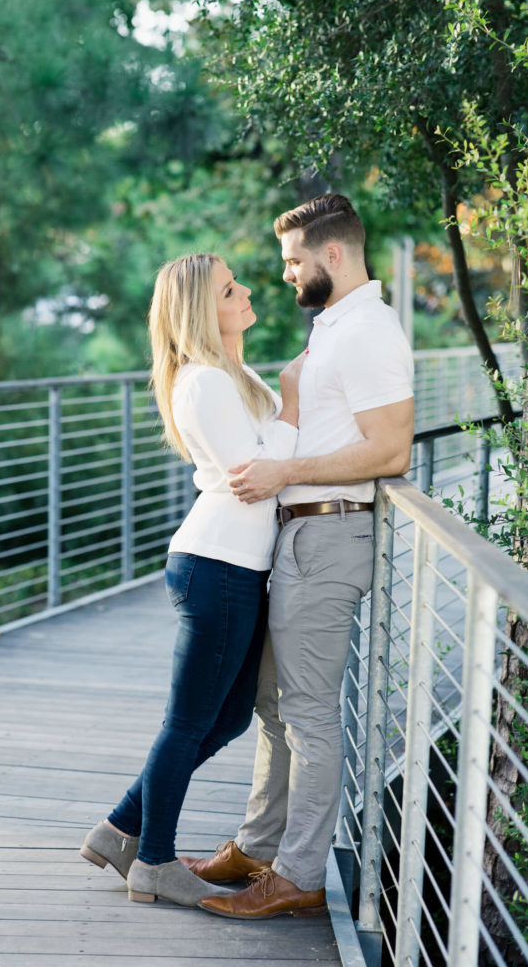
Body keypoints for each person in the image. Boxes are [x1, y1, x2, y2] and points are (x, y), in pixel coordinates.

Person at [181, 194, 414, 920]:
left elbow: (389, 449)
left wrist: (283, 472)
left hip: (330, 532)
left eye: (292, 261)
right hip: (300, 534)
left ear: (331, 255)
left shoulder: (369, 331)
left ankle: (299, 875)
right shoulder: (336, 327)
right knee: (274, 705)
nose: (284, 274)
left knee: (307, 714)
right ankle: (258, 846)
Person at [79, 253, 303, 906]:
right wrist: (292, 404)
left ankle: (119, 826)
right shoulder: (203, 381)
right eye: (231, 290)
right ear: (204, 311)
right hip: (218, 566)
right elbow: (256, 471)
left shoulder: (235, 374)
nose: (247, 292)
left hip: (239, 567)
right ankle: (152, 860)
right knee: (186, 723)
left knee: (229, 716)